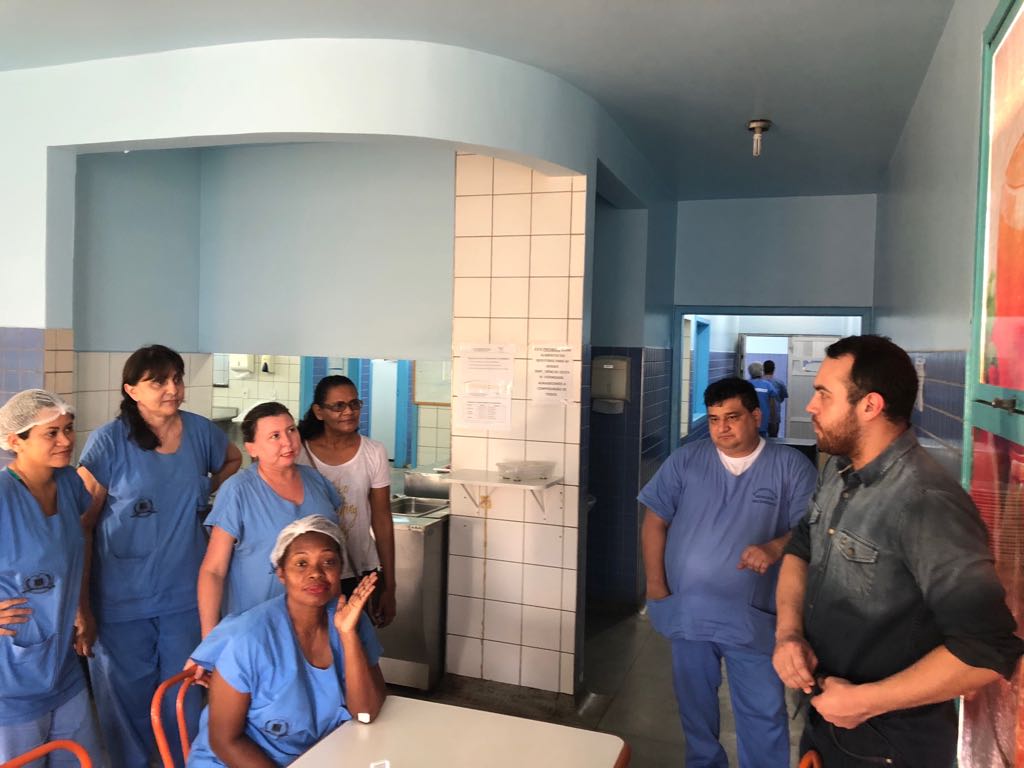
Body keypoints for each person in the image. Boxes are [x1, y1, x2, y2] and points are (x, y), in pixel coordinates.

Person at [772, 335, 1024, 767]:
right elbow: (800, 547)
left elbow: (986, 650)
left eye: (823, 394)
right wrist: (788, 634)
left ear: (870, 406)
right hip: (826, 723)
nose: (811, 406)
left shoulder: (926, 503)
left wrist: (865, 701)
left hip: (889, 748)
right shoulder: (838, 470)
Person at [78, 345, 242, 768]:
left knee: (183, 697)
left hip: (183, 596)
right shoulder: (109, 442)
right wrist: (82, 608)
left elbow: (233, 458)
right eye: (158, 381)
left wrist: (206, 489)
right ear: (131, 390)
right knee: (125, 704)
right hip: (120, 600)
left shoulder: (200, 432)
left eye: (177, 379)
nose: (173, 389)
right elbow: (82, 524)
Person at [640, 377, 816, 768]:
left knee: (762, 713)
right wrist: (655, 587)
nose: (721, 428)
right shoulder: (687, 460)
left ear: (756, 416)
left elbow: (811, 532)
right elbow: (655, 520)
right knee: (694, 710)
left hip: (754, 619)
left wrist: (775, 546)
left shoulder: (789, 467)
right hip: (689, 612)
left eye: (732, 417)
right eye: (715, 418)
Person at [186, 515, 386, 767]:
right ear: (281, 573)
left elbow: (366, 714)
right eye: (301, 563)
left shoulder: (351, 621)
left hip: (312, 755)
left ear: (340, 569)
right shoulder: (249, 639)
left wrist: (347, 635)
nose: (316, 573)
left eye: (328, 562)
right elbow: (225, 741)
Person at [0, 390, 104, 766]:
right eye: (51, 433)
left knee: (81, 758)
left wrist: (81, 608)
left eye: (68, 428)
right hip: (11, 673)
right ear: (16, 441)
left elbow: (71, 554)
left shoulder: (69, 484)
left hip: (62, 663)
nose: (65, 440)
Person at [198, 402, 342, 636]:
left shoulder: (316, 481)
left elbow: (333, 552)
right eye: (275, 436)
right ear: (252, 448)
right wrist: (210, 637)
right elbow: (213, 570)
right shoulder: (238, 491)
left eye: (291, 430)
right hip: (256, 627)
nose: (287, 441)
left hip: (315, 624)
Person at [296, 375, 396, 626]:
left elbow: (382, 519)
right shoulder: (298, 453)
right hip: (312, 570)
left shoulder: (373, 452)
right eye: (338, 406)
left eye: (354, 404)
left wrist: (390, 584)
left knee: (357, 641)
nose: (349, 412)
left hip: (359, 567)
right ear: (319, 412)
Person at [747, 362, 777, 438]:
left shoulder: (744, 385)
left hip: (747, 423)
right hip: (763, 422)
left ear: (749, 372)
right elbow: (772, 406)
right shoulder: (768, 385)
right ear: (762, 371)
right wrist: (773, 421)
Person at [762, 359, 788, 438]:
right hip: (774, 417)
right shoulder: (779, 383)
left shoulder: (758, 382)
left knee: (759, 439)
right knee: (773, 439)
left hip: (761, 416)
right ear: (774, 369)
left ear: (763, 369)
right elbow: (782, 397)